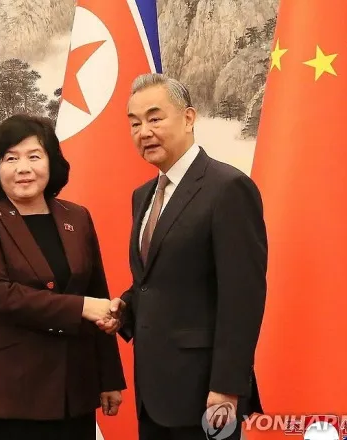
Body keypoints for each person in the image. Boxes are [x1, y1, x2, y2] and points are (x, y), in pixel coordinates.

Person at [98, 73, 267, 440]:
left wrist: (226, 387)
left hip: (205, 392)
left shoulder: (228, 188)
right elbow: (154, 282)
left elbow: (243, 298)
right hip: (152, 392)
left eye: (155, 118)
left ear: (188, 118)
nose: (144, 132)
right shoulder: (143, 195)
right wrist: (123, 309)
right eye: (134, 123)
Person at [0, 113, 126, 440]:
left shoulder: (77, 217)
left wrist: (109, 379)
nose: (24, 168)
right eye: (11, 158)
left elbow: (98, 294)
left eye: (34, 156)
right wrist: (80, 307)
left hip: (74, 392)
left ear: (52, 163)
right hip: (11, 394)